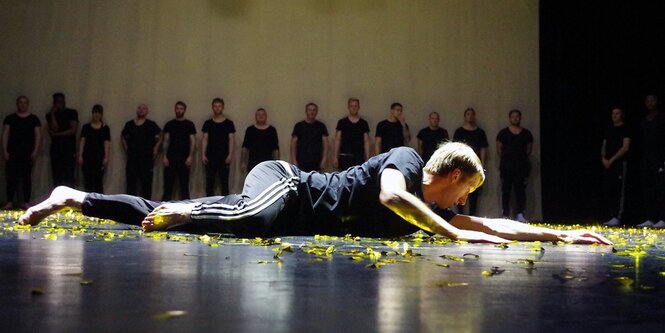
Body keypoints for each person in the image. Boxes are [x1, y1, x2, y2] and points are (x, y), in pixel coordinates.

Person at [18, 142, 612, 246]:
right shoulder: (404, 164)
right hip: (287, 184)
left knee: (182, 218)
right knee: (248, 218)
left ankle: (74, 196)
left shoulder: (431, 211)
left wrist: (558, 235)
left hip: (281, 217)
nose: (461, 208)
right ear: (451, 175)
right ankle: (183, 210)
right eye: (463, 196)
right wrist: (449, 229)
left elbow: (493, 228)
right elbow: (391, 197)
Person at [2, 96, 42, 209]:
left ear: (28, 104)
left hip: (28, 153)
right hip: (12, 152)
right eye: (20, 102)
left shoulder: (34, 119)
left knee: (26, 177)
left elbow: (38, 135)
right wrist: (4, 150)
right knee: (11, 177)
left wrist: (35, 150)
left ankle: (26, 202)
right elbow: (5, 134)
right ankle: (9, 201)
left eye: (25, 103)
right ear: (17, 104)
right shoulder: (10, 118)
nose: (22, 105)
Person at [496, 109, 533, 222]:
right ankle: (505, 215)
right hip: (506, 166)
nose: (515, 118)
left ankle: (520, 214)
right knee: (506, 190)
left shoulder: (526, 133)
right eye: (513, 116)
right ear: (509, 118)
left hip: (521, 167)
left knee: (520, 191)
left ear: (520, 118)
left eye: (517, 116)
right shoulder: (503, 133)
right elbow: (499, 149)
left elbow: (529, 150)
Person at [635, 94, 665, 228]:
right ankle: (650, 217)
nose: (650, 103)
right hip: (646, 158)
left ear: (657, 102)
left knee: (661, 189)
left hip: (659, 158)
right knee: (648, 188)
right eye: (647, 101)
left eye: (652, 100)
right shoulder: (644, 120)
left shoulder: (662, 118)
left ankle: (662, 218)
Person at [121, 104, 162, 200]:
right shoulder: (129, 124)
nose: (141, 110)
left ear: (147, 111)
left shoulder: (151, 124)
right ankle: (129, 206)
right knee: (131, 185)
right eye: (139, 108)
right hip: (132, 158)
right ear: (137, 110)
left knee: (146, 186)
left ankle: (146, 208)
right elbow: (122, 136)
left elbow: (161, 135)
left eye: (144, 109)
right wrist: (126, 148)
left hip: (146, 159)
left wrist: (156, 148)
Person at [453, 108, 488, 216]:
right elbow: (455, 148)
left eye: (472, 114)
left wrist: (481, 163)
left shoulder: (480, 132)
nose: (470, 116)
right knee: (459, 189)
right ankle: (460, 214)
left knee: (473, 190)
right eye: (468, 114)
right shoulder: (459, 131)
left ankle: (472, 215)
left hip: (475, 165)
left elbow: (483, 148)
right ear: (465, 116)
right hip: (462, 165)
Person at [600, 107, 631, 227]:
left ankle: (618, 216)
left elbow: (625, 147)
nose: (614, 116)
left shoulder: (625, 129)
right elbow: (604, 144)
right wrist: (603, 158)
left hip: (619, 163)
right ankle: (611, 215)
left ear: (622, 115)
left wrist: (612, 159)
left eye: (617, 113)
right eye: (613, 113)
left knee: (619, 191)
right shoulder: (609, 130)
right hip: (608, 164)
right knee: (609, 190)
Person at [162, 101, 196, 201]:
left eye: (181, 108)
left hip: (184, 158)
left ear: (184, 110)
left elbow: (192, 142)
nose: (179, 110)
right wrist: (164, 156)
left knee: (184, 186)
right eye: (177, 108)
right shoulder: (169, 124)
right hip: (170, 158)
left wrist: (190, 156)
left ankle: (187, 209)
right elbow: (166, 140)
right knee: (168, 186)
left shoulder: (189, 124)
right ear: (175, 109)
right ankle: (162, 207)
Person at [201, 97, 236, 196]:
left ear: (223, 107)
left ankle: (226, 206)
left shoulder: (229, 123)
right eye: (215, 106)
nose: (217, 108)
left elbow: (232, 139)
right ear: (212, 107)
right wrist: (203, 154)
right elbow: (205, 139)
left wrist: (230, 155)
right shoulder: (208, 123)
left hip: (224, 157)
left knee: (224, 183)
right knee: (209, 183)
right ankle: (209, 205)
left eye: (219, 106)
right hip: (210, 157)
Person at [46, 92, 78, 187]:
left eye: (61, 101)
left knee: (69, 174)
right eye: (57, 102)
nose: (59, 103)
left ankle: (71, 199)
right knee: (57, 175)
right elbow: (53, 129)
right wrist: (52, 114)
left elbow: (73, 130)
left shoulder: (72, 113)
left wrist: (57, 135)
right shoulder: (50, 115)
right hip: (56, 148)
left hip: (69, 147)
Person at [77, 104, 111, 193]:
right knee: (88, 182)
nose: (96, 114)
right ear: (92, 113)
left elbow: (106, 143)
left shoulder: (105, 128)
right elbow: (82, 141)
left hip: (99, 157)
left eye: (99, 112)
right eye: (95, 112)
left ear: (101, 115)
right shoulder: (86, 127)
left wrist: (106, 157)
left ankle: (100, 204)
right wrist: (80, 155)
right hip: (87, 157)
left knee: (98, 182)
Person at [333, 98, 370, 170]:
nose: (353, 108)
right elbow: (337, 140)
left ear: (359, 107)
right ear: (348, 107)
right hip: (344, 156)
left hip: (359, 157)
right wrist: (335, 157)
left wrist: (367, 158)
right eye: (351, 106)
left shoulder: (363, 123)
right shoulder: (342, 122)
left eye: (355, 106)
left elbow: (366, 141)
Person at [290, 102, 329, 172]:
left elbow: (326, 144)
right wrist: (293, 160)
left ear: (316, 112)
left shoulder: (321, 126)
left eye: (314, 110)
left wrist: (324, 159)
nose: (312, 112)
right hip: (301, 160)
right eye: (310, 110)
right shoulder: (299, 126)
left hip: (316, 160)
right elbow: (293, 144)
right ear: (306, 111)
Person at [241, 108, 279, 173]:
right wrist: (243, 162)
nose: (261, 116)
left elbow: (275, 149)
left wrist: (277, 164)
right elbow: (245, 147)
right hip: (253, 163)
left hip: (268, 164)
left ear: (266, 116)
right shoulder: (250, 130)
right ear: (255, 117)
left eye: (263, 114)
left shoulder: (272, 130)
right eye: (258, 115)